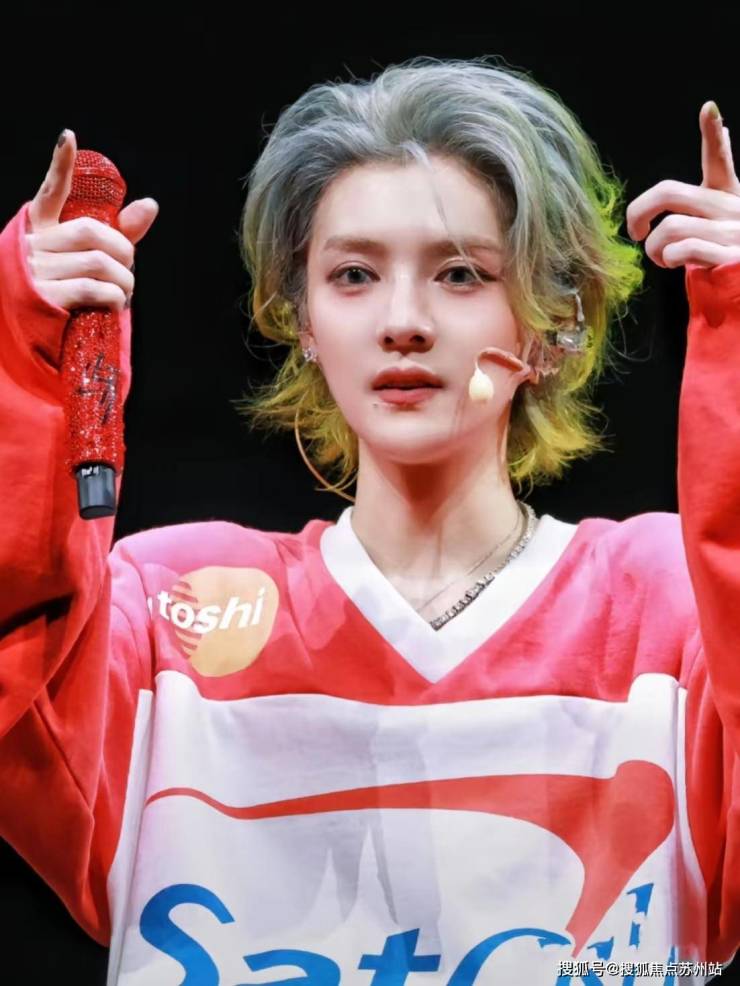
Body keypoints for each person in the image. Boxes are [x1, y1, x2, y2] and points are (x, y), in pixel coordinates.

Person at [1, 55, 739, 984]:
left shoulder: (669, 609)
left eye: (461, 273)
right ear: (302, 320)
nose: (402, 321)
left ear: (552, 323)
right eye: (352, 274)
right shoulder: (167, 615)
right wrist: (25, 354)